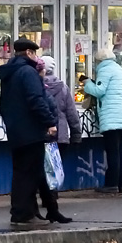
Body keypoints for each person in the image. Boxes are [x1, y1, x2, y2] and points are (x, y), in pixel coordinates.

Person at [0, 38, 59, 227]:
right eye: (35, 53)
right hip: (30, 131)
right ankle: (23, 214)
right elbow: (36, 99)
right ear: (30, 53)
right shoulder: (28, 72)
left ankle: (26, 212)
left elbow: (4, 104)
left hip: (16, 131)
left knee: (21, 172)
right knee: (29, 173)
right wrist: (49, 121)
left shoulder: (10, 73)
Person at [82, 46, 122, 194]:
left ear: (99, 61)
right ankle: (121, 184)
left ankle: (111, 184)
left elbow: (99, 91)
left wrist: (87, 84)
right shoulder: (118, 69)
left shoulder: (104, 70)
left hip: (112, 116)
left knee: (113, 152)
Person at [37, 56, 79, 223]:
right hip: (60, 134)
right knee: (54, 167)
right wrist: (76, 133)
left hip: (43, 133)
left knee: (42, 167)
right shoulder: (62, 87)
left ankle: (47, 198)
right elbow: (71, 112)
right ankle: (52, 195)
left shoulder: (38, 86)